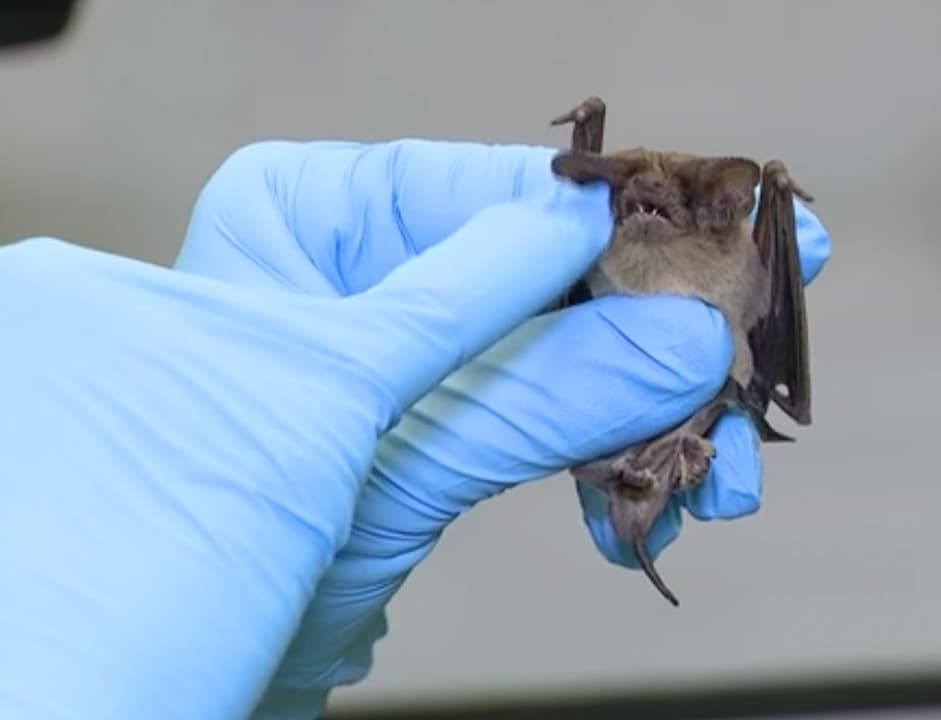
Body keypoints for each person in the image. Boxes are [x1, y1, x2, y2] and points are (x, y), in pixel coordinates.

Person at [0, 139, 830, 719]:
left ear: (721, 211)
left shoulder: (738, 253)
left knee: (663, 399)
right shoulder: (593, 247)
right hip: (627, 379)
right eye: (633, 198)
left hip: (700, 372)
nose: (647, 211)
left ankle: (664, 447)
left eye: (673, 206)